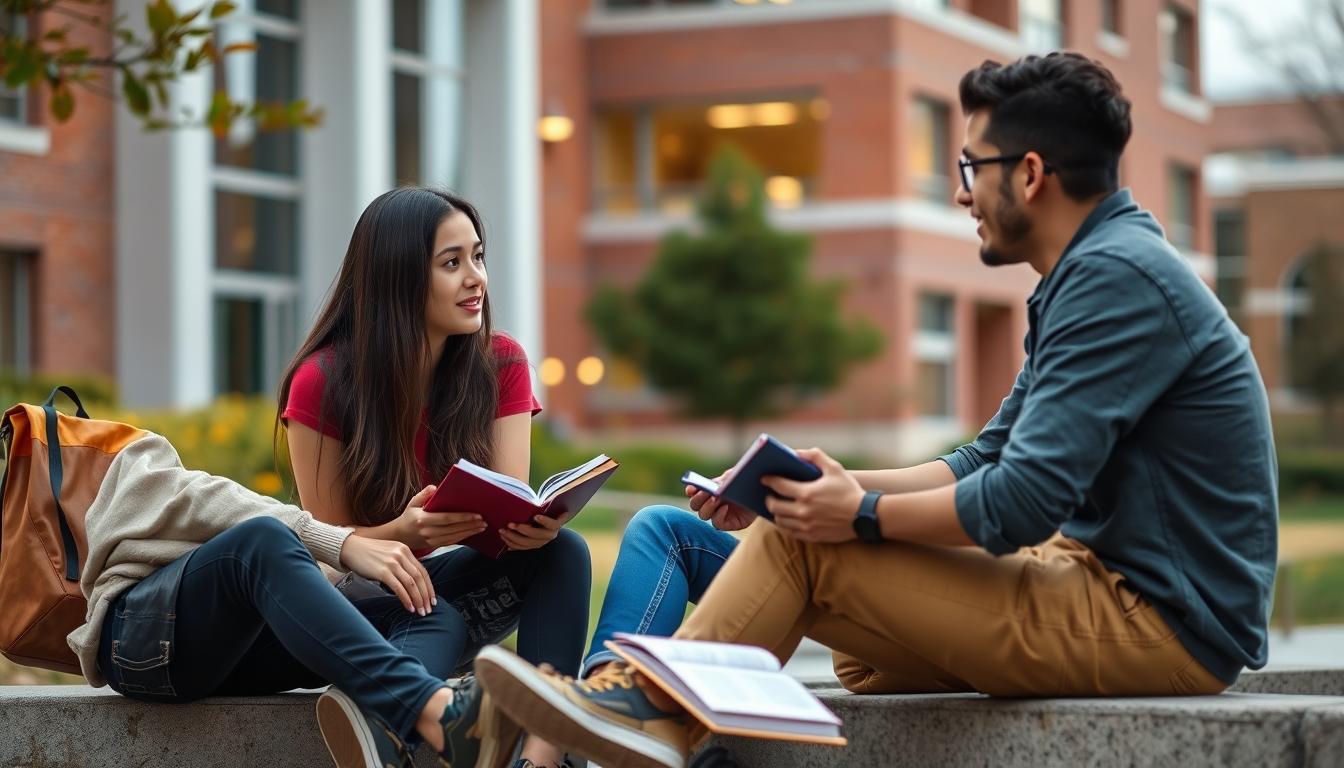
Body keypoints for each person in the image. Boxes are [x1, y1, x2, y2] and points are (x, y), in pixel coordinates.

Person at [467, 52, 1280, 768]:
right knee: (852, 641)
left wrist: (853, 517)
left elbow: (1021, 504)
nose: (963, 195)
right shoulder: (1090, 274)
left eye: (970, 168)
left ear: (1029, 174)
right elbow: (982, 458)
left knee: (806, 554)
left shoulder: (1116, 281)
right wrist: (822, 485)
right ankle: (642, 725)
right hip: (1101, 587)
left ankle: (642, 712)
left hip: (1160, 622)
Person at [277, 187, 591, 768]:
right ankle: (391, 715)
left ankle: (544, 756)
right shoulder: (322, 381)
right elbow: (319, 555)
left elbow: (511, 503)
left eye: (479, 257)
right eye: (452, 263)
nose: (476, 278)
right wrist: (405, 533)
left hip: (452, 582)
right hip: (361, 607)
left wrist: (531, 529)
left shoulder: (502, 363)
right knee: (426, 610)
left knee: (564, 552)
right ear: (397, 277)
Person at [71, 432, 518, 768]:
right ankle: (433, 710)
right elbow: (200, 499)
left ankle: (379, 732)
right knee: (261, 540)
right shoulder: (135, 455)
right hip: (141, 642)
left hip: (234, 653)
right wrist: (338, 541)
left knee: (432, 610)